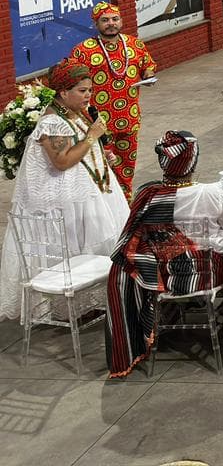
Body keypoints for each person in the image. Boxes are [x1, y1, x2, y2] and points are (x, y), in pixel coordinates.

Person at [0, 60, 129, 321]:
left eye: (89, 90)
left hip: (86, 194)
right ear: (63, 92)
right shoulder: (53, 122)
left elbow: (81, 151)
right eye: (82, 91)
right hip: (64, 200)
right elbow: (62, 161)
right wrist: (93, 136)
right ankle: (70, 305)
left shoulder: (74, 114)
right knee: (73, 245)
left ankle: (91, 300)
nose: (88, 96)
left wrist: (101, 156)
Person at [105, 131, 223, 378]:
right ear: (193, 162)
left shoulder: (148, 197)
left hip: (163, 275)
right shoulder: (210, 194)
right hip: (205, 273)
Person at [67, 2, 157, 199]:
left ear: (121, 21)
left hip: (129, 119)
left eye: (115, 19)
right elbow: (69, 78)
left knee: (126, 168)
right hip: (97, 124)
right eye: (105, 20)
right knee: (100, 167)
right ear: (96, 24)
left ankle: (125, 204)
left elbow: (148, 65)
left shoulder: (135, 44)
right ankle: (105, 206)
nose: (111, 24)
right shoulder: (83, 50)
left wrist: (148, 73)